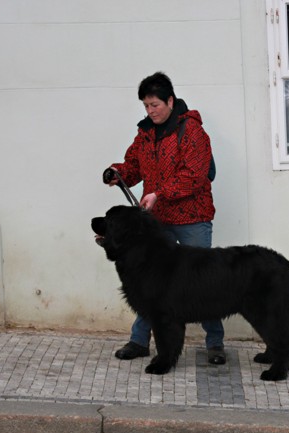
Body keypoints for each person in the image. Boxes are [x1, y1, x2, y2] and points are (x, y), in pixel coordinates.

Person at [103, 72, 226, 365]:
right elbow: (133, 165)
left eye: (155, 105)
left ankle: (215, 343)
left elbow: (195, 175)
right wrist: (117, 172)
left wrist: (159, 193)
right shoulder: (145, 133)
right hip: (156, 221)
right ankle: (139, 341)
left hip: (193, 217)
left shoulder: (192, 131)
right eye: (146, 106)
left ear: (170, 101)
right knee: (149, 284)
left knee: (201, 283)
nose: (150, 111)